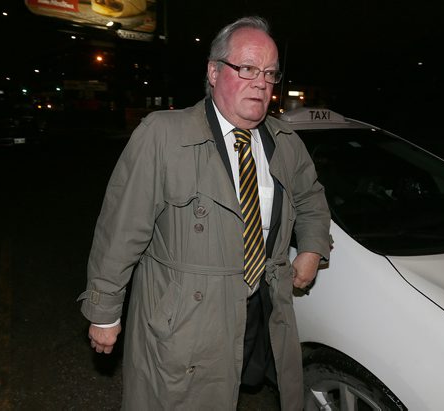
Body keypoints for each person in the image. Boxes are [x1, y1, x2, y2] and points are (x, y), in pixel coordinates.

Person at [78, 16, 331, 410]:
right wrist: (104, 311)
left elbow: (312, 199)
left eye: (269, 72)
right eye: (247, 68)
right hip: (186, 322)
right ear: (214, 72)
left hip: (260, 307)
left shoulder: (286, 143)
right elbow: (120, 229)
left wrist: (313, 248)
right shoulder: (163, 135)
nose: (261, 82)